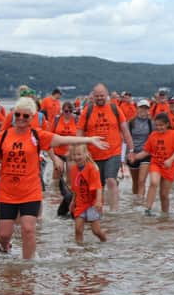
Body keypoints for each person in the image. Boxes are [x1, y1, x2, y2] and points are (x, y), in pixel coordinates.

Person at [0, 97, 108, 258]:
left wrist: (89, 139)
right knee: (4, 234)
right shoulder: (3, 136)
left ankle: (28, 267)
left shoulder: (37, 135)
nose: (20, 118)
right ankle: (5, 247)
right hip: (7, 192)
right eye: (18, 114)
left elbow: (63, 139)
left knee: (28, 229)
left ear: (31, 118)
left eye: (25, 116)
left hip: (30, 191)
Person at [76, 83, 134, 212]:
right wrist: (80, 150)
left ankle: (114, 211)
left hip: (113, 152)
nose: (99, 98)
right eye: (97, 96)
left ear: (106, 95)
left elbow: (125, 129)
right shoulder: (88, 110)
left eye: (102, 95)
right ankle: (98, 211)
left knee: (111, 179)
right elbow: (79, 131)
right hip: (93, 154)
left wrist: (131, 150)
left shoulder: (114, 108)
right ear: (93, 96)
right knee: (98, 185)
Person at [130, 113, 174, 216]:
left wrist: (170, 160)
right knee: (153, 182)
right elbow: (146, 151)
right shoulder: (153, 135)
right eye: (157, 125)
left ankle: (165, 215)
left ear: (167, 124)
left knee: (164, 195)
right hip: (156, 164)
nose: (159, 127)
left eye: (161, 125)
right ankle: (147, 209)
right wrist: (135, 156)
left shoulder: (173, 134)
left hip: (168, 166)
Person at [68, 144, 106, 243]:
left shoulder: (92, 168)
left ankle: (105, 242)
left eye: (79, 154)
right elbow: (75, 188)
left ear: (86, 154)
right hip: (80, 203)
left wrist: (98, 201)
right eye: (74, 155)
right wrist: (72, 202)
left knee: (96, 231)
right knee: (78, 229)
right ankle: (79, 252)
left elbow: (98, 187)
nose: (76, 157)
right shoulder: (73, 170)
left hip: (92, 203)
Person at [127, 99, 153, 201]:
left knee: (142, 181)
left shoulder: (152, 123)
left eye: (146, 108)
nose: (143, 110)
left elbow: (156, 138)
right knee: (135, 182)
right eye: (141, 107)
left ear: (148, 110)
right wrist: (128, 154)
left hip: (146, 153)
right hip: (133, 153)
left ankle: (140, 204)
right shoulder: (131, 123)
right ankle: (135, 204)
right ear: (137, 109)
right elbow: (126, 139)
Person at [50, 101, 78, 180]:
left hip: (71, 153)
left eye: (70, 111)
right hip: (58, 152)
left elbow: (80, 136)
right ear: (62, 111)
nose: (68, 113)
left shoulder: (76, 119)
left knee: (71, 176)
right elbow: (50, 135)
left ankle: (70, 191)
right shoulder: (57, 120)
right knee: (58, 171)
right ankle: (54, 191)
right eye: (66, 111)